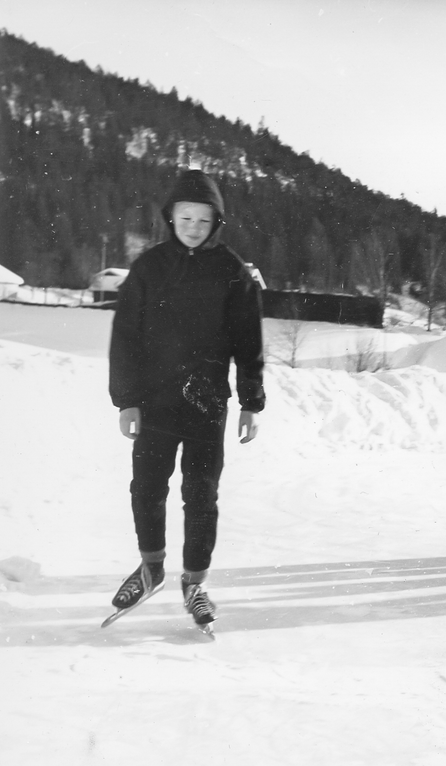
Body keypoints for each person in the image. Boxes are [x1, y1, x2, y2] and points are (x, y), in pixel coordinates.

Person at [108, 169, 265, 629]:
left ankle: (194, 582)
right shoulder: (149, 267)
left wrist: (251, 402)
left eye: (203, 219)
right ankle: (150, 567)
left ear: (216, 221)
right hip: (155, 402)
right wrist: (127, 400)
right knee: (147, 489)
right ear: (170, 218)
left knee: (201, 495)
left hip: (207, 404)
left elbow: (248, 341)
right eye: (185, 217)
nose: (193, 227)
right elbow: (125, 336)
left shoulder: (232, 271)